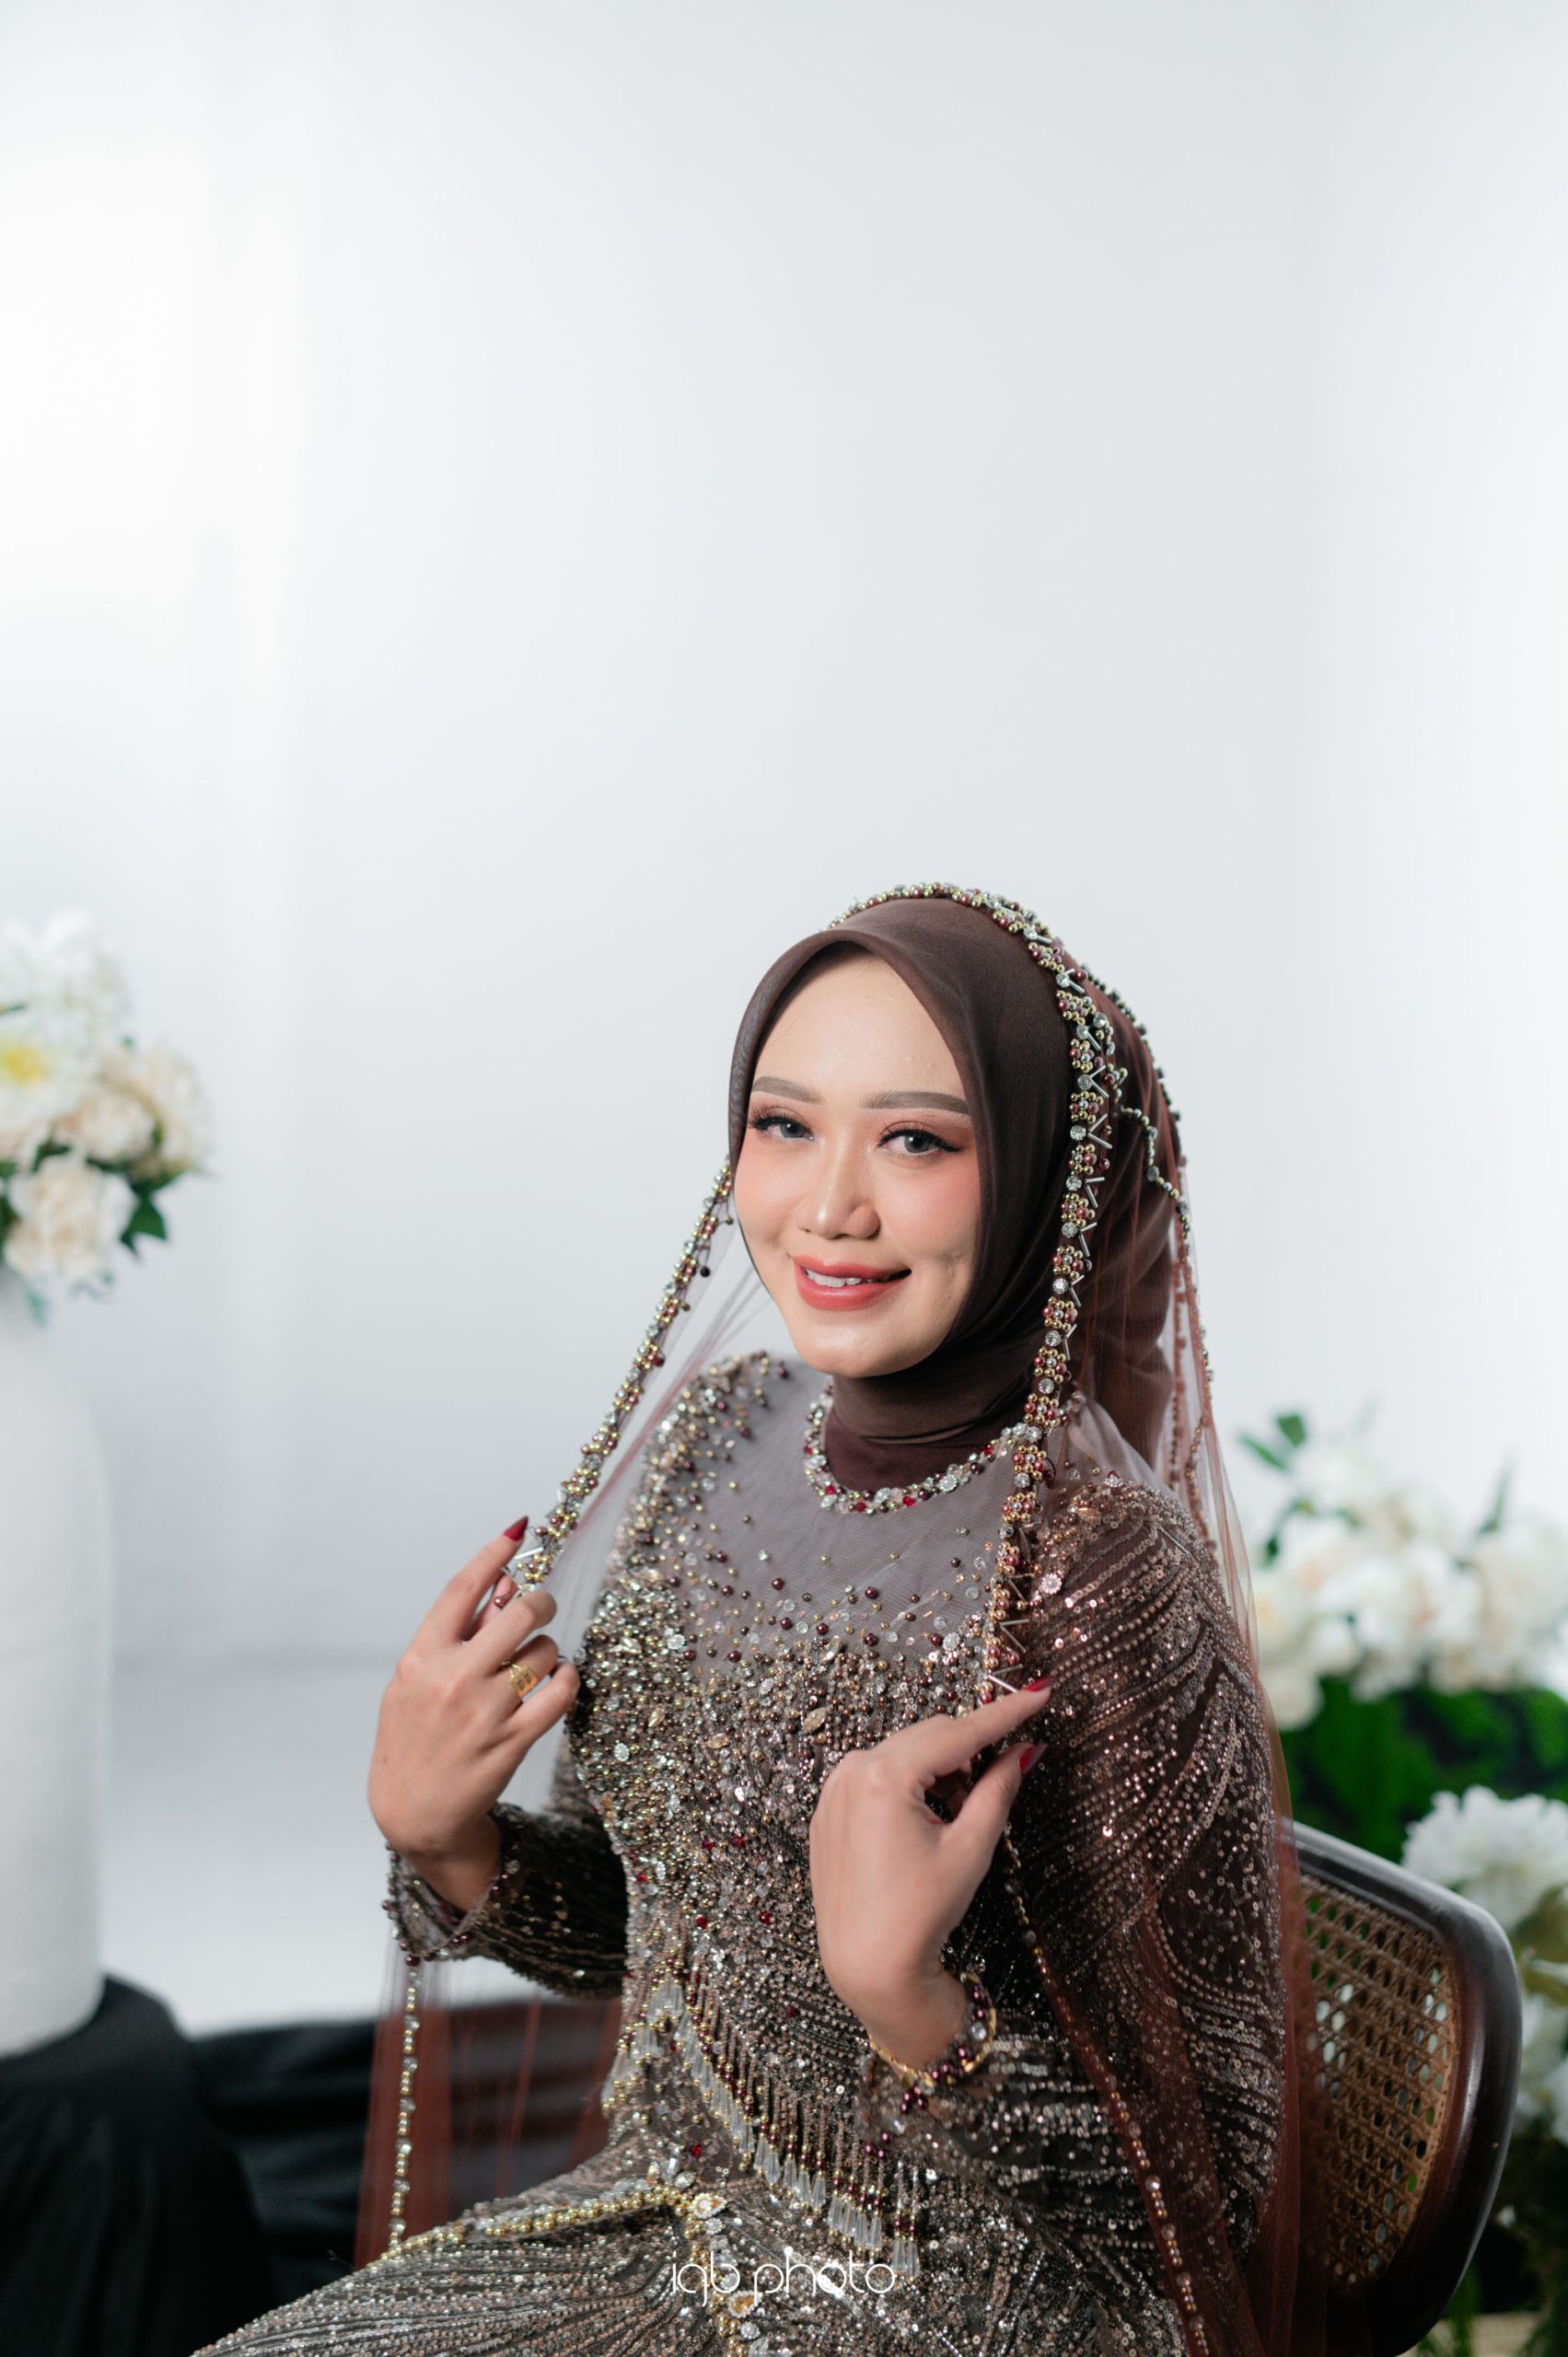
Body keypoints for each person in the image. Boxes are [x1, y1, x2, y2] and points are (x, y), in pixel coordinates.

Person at [201, 884, 1358, 2357]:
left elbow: (1201, 2211)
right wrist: (451, 1840)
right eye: (785, 1124)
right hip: (668, 2229)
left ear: (1041, 1175)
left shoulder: (1090, 1565)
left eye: (919, 1141)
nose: (830, 1208)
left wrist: (914, 2009)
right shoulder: (720, 1439)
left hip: (966, 2310)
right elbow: (652, 1941)